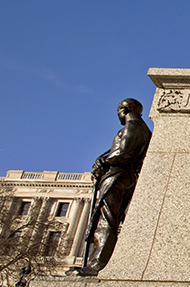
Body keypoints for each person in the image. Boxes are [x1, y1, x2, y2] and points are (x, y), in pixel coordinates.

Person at [67, 98, 151, 276]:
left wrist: (103, 162)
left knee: (105, 220)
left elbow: (124, 151)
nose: (118, 115)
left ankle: (97, 263)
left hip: (116, 174)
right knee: (112, 220)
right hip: (127, 176)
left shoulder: (133, 125)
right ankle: (102, 261)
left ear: (124, 109)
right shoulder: (145, 129)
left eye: (119, 111)